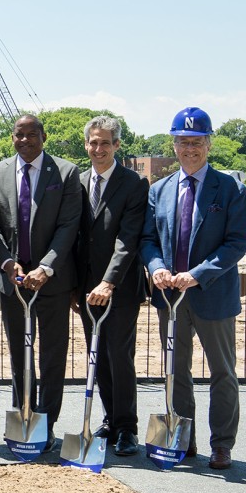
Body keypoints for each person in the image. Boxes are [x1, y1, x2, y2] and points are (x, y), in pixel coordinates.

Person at [140, 107, 246, 470]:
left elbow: (236, 244)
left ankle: (222, 444)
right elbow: (148, 239)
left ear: (208, 144)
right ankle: (183, 440)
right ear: (173, 145)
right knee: (176, 371)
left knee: (222, 372)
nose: (190, 148)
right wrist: (155, 267)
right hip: (169, 298)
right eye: (184, 142)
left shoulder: (231, 188)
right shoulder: (159, 190)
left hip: (212, 296)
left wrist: (197, 274)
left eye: (197, 142)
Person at [0, 113, 80, 453]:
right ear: (12, 138)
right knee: (18, 354)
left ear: (43, 136)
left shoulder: (66, 173)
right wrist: (7, 263)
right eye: (18, 135)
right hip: (12, 281)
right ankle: (23, 417)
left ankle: (47, 423)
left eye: (31, 135)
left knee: (53, 356)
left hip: (51, 283)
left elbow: (69, 226)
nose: (24, 141)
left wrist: (46, 267)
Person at [75, 115, 148, 457]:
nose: (98, 148)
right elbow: (74, 236)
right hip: (86, 290)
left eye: (105, 142)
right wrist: (76, 287)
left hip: (118, 289)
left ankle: (127, 428)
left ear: (117, 145)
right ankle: (110, 418)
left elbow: (127, 240)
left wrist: (108, 282)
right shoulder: (76, 181)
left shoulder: (133, 184)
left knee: (119, 356)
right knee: (97, 355)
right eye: (93, 142)